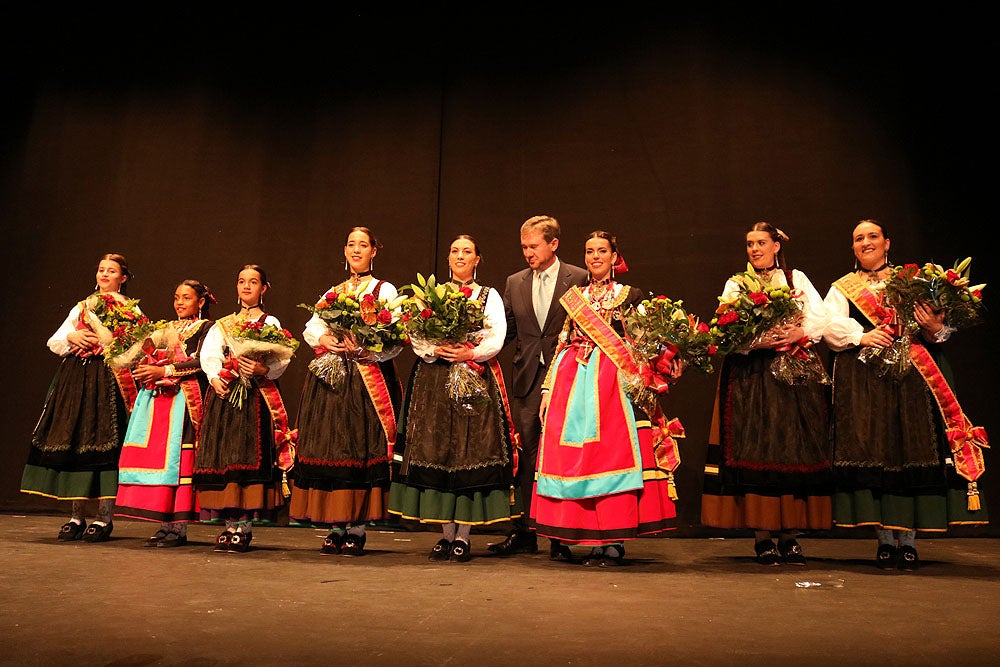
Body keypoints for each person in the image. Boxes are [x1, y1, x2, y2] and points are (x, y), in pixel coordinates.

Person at [823, 219, 989, 571]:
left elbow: (939, 332)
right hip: (866, 382)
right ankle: (884, 541)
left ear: (887, 243)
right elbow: (829, 327)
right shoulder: (843, 288)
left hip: (912, 381)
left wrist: (936, 327)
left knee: (910, 450)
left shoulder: (914, 283)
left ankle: (909, 541)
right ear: (852, 248)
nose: (865, 242)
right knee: (877, 453)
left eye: (872, 236)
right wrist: (862, 337)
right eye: (858, 238)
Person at [532, 231, 683, 565]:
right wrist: (547, 388)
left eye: (602, 251)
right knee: (574, 459)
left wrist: (664, 361)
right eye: (589, 252)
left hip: (613, 382)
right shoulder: (574, 296)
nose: (595, 257)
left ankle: (612, 541)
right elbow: (561, 342)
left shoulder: (630, 295)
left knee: (609, 457)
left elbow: (645, 341)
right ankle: (574, 531)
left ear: (615, 256)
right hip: (571, 381)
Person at [701, 222, 832, 566]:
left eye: (761, 243)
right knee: (755, 444)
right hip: (751, 377)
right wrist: (756, 340)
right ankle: (762, 536)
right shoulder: (736, 283)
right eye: (749, 244)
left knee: (792, 447)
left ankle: (790, 535)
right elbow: (724, 330)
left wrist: (797, 331)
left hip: (792, 375)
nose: (754, 249)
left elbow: (821, 319)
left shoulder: (795, 280)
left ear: (776, 245)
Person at [388, 235, 520, 562]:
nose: (460, 257)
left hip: (472, 375)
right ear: (448, 259)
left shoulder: (488, 296)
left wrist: (469, 351)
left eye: (467, 252)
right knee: (437, 451)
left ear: (478, 259)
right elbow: (415, 334)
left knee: (466, 451)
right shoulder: (432, 296)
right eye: (455, 251)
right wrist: (435, 349)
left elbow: (496, 336)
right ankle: (445, 535)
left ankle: (463, 535)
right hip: (434, 378)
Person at [289, 227, 403, 557]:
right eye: (351, 244)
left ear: (374, 251)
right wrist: (325, 340)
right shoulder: (334, 292)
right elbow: (313, 326)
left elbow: (394, 333)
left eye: (363, 245)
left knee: (360, 446)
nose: (356, 250)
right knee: (333, 446)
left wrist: (369, 350)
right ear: (345, 251)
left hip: (366, 378)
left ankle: (357, 528)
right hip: (335, 377)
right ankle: (335, 524)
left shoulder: (384, 289)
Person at [21, 253, 139, 542]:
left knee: (105, 445)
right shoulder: (83, 307)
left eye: (111, 271)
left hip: (109, 383)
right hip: (76, 379)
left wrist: (109, 345)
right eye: (101, 270)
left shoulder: (131, 311)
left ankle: (104, 518)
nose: (104, 275)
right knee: (75, 440)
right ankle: (76, 516)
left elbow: (137, 347)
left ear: (123, 278)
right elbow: (55, 341)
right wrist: (73, 338)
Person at [493, 215, 589, 559]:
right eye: (524, 247)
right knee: (528, 452)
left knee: (562, 454)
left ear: (554, 244)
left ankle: (559, 536)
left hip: (568, 377)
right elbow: (506, 331)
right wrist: (470, 352)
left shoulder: (578, 277)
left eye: (534, 246)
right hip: (528, 379)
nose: (528, 253)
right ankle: (526, 530)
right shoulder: (515, 281)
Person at [193, 265, 293, 554]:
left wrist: (264, 368)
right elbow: (208, 355)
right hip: (227, 394)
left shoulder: (269, 322)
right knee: (225, 454)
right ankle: (228, 525)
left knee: (248, 454)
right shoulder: (222, 324)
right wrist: (215, 377)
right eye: (241, 281)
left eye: (253, 282)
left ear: (264, 288)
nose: (246, 286)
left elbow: (281, 358)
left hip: (254, 396)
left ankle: (245, 527)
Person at [114, 280, 216, 547]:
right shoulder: (165, 329)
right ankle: (164, 523)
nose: (180, 303)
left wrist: (165, 371)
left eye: (186, 298)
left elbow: (203, 362)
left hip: (186, 401)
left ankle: (179, 527)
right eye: (176, 297)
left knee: (180, 462)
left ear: (201, 302)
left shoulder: (207, 328)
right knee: (161, 459)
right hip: (161, 403)